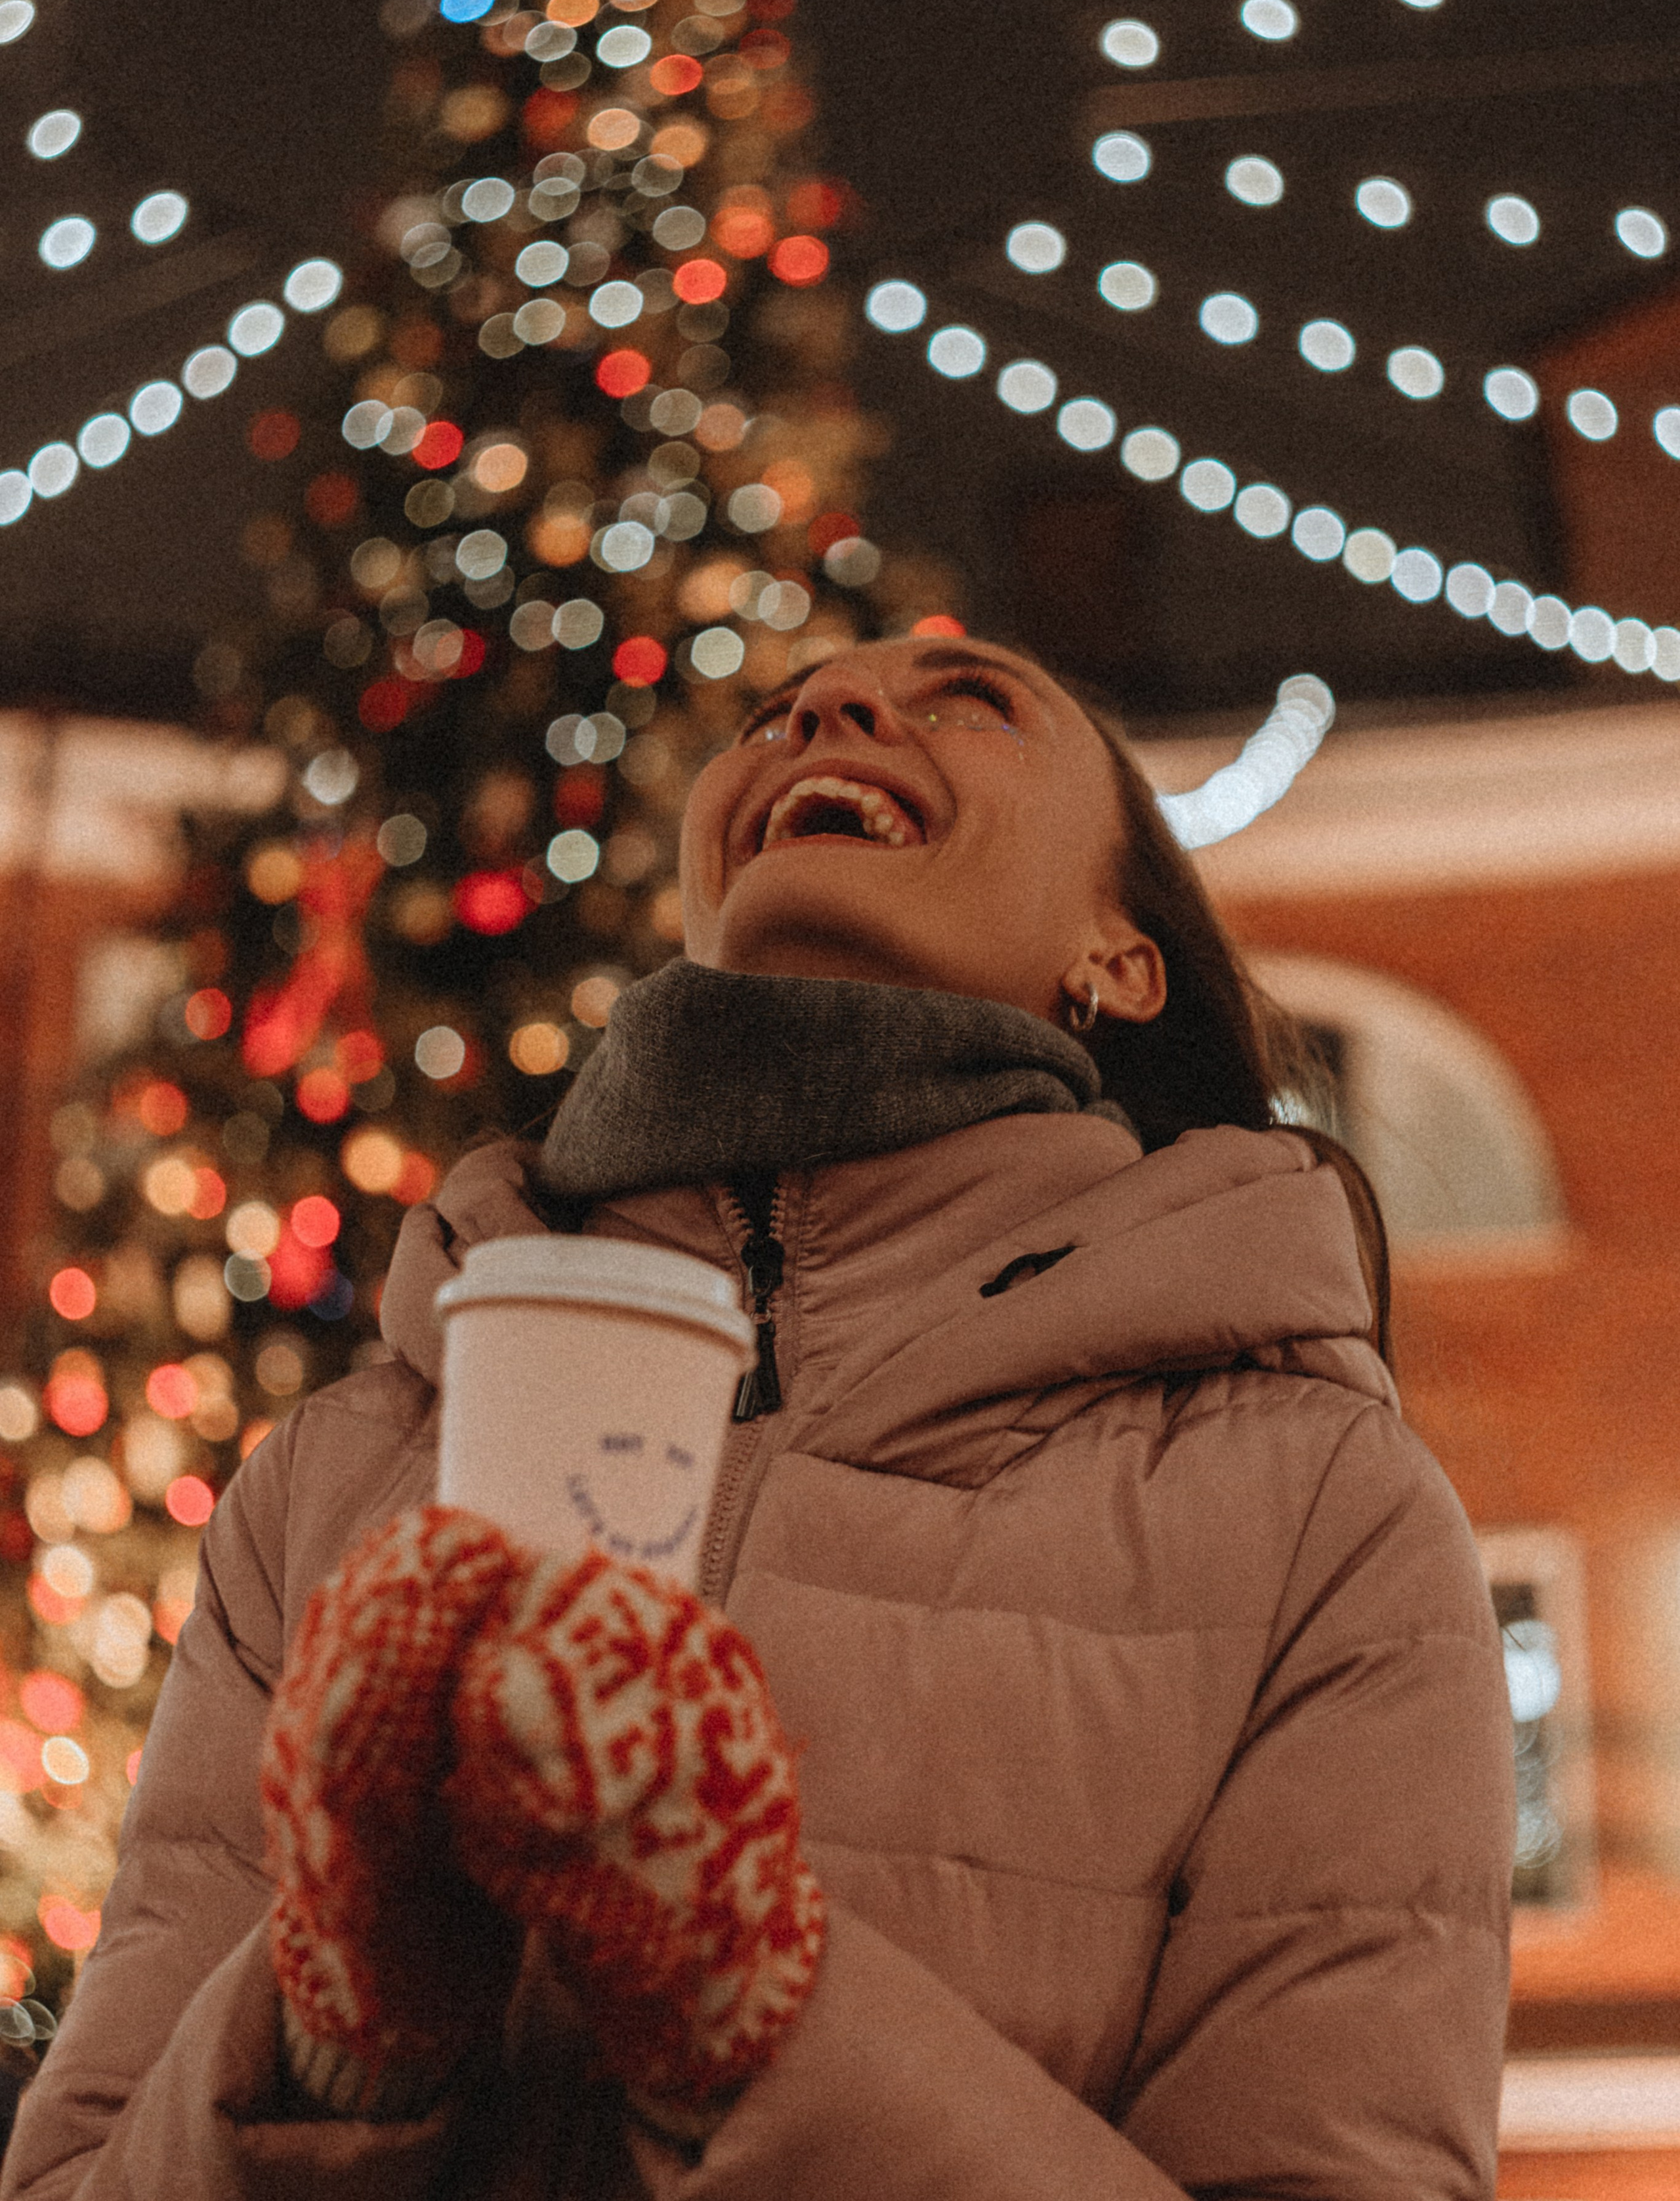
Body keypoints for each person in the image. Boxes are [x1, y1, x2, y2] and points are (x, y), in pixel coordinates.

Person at [2, 634, 1514, 2201]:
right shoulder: (334, 1473)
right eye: (774, 714)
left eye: (970, 704)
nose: (827, 712)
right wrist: (335, 2044)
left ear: (1121, 957)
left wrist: (755, 2010)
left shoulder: (1316, 1511)